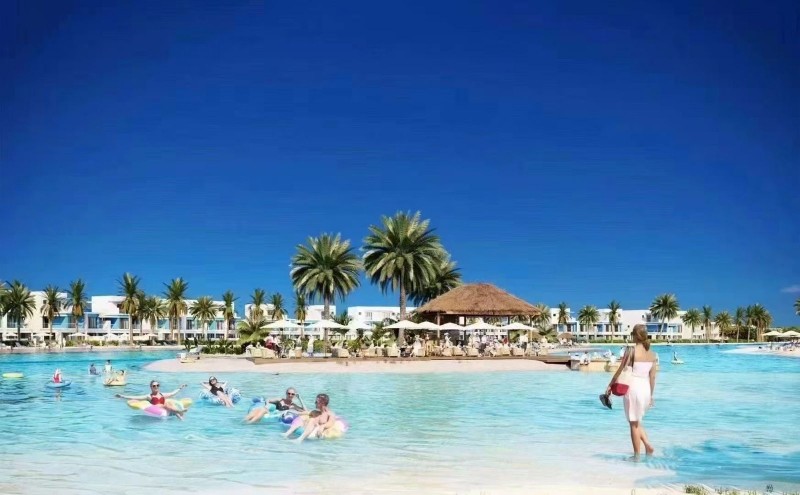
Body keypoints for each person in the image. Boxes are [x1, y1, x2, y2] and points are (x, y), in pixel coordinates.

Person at [604, 324, 657, 458]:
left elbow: (621, 369)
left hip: (633, 389)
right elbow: (652, 377)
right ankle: (648, 446)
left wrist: (610, 385)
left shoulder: (631, 351)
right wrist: (651, 396)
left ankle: (636, 456)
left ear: (634, 336)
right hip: (645, 389)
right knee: (636, 421)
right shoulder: (652, 354)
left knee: (633, 424)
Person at [116, 380, 188, 420]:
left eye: (157, 385)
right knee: (166, 404)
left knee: (169, 404)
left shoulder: (162, 394)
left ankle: (181, 418)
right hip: (157, 409)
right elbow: (136, 397)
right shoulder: (149, 396)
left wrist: (180, 388)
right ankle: (180, 411)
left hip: (166, 409)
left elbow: (172, 393)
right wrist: (122, 396)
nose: (156, 387)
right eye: (154, 386)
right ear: (151, 387)